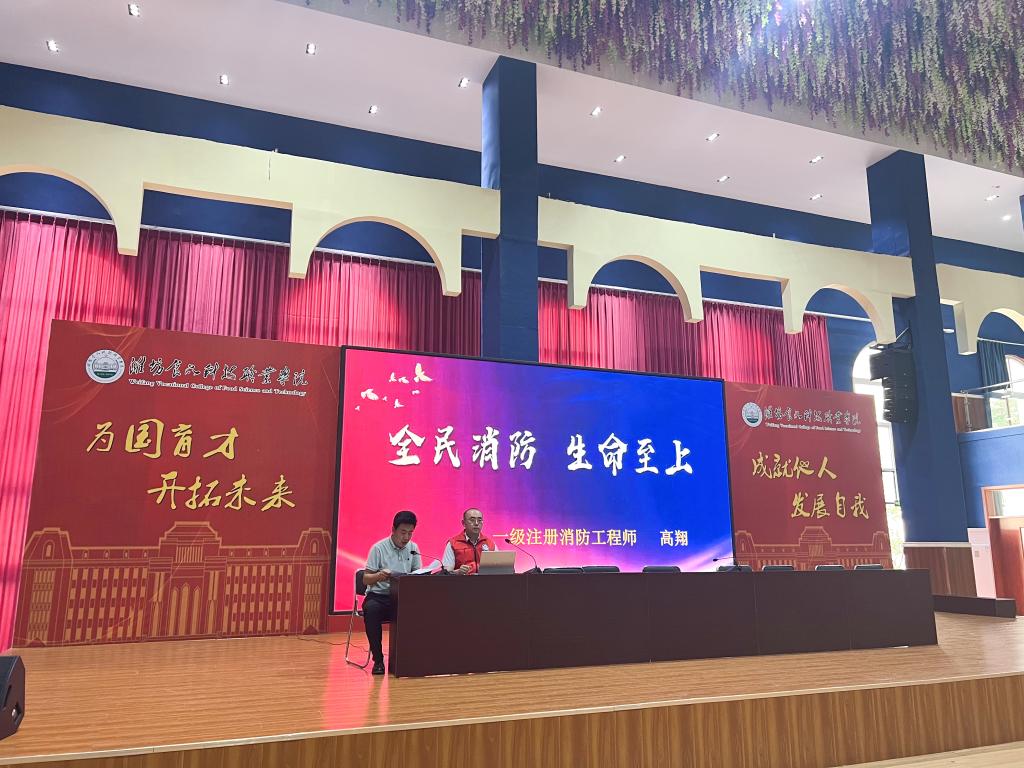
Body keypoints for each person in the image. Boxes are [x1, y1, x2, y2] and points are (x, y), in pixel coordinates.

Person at [362, 510, 420, 675]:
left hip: (401, 597)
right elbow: (365, 579)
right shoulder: (378, 548)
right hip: (379, 596)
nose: (406, 537)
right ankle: (378, 660)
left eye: (410, 533)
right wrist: (380, 575)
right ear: (393, 530)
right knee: (371, 610)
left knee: (422, 610)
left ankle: (409, 658)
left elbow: (417, 574)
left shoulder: (413, 548)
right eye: (403, 532)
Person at [441, 507, 497, 575]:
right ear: (463, 523)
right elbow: (446, 573)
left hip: (486, 580)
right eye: (472, 520)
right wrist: (458, 572)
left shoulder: (490, 543)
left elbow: (498, 568)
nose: (476, 523)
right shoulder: (453, 543)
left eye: (479, 520)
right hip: (462, 581)